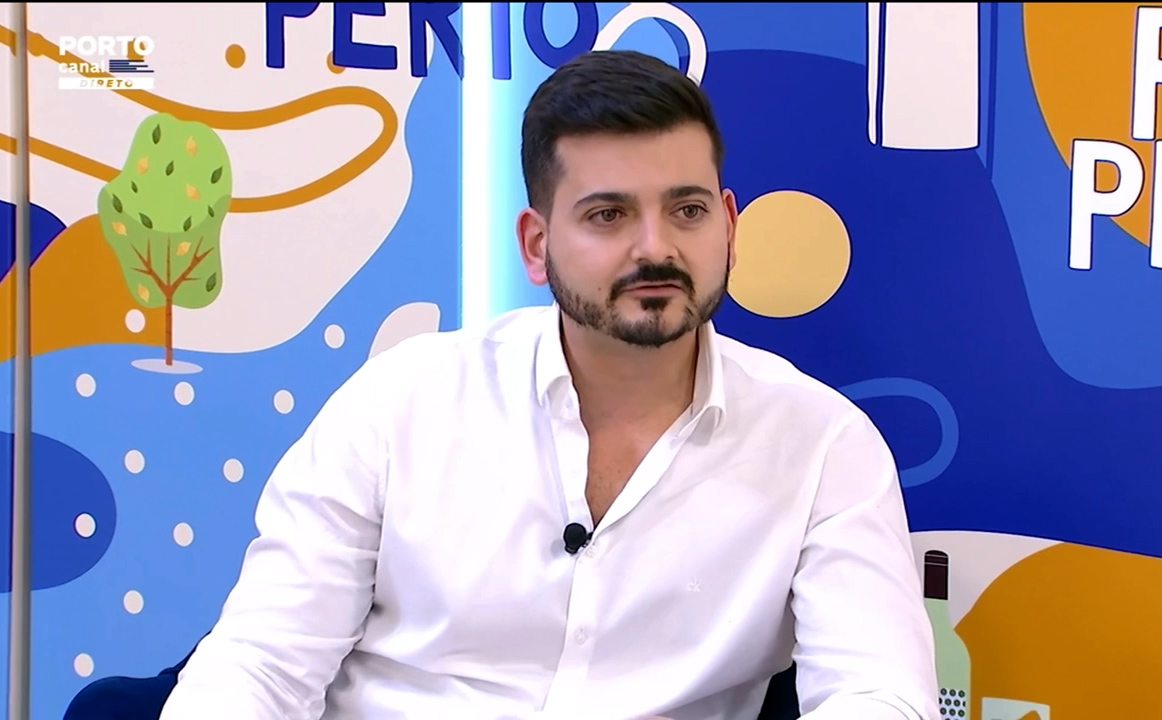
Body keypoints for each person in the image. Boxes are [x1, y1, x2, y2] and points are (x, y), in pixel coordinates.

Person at [159, 49, 938, 720]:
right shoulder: (399, 405)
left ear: (729, 226)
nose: (655, 248)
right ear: (536, 246)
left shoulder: (822, 446)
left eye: (687, 210)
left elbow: (878, 694)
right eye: (608, 216)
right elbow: (261, 666)